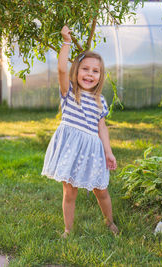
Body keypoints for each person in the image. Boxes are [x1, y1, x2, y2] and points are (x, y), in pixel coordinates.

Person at [41, 25, 119, 237]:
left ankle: (109, 222)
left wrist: (108, 152)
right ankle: (68, 229)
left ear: (100, 76)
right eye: (85, 69)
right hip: (71, 148)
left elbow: (102, 128)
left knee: (100, 190)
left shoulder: (100, 100)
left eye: (95, 71)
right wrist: (66, 41)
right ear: (77, 71)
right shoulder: (69, 92)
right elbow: (61, 69)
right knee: (70, 192)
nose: (90, 74)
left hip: (92, 151)